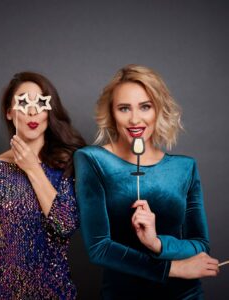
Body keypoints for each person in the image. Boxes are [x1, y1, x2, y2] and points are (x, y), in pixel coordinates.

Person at [74, 64, 219, 299]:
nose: (135, 119)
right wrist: (173, 268)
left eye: (145, 107)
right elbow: (99, 248)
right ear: (111, 113)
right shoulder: (92, 160)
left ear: (158, 110)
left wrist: (156, 244)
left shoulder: (185, 167)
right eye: (124, 108)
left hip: (186, 295)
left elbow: (200, 244)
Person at [0, 71, 85, 299]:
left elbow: (65, 224)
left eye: (41, 103)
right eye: (24, 102)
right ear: (9, 112)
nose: (33, 111)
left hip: (53, 293)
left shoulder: (68, 163)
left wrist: (32, 168)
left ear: (49, 110)